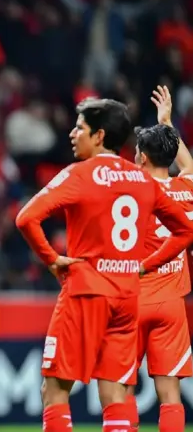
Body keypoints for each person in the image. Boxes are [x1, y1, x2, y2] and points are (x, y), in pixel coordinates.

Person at [15, 98, 193, 432]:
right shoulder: (142, 181)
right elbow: (186, 229)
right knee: (116, 392)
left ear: (99, 136)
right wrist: (144, 266)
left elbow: (26, 218)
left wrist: (52, 261)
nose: (72, 134)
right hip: (130, 297)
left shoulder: (80, 174)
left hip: (86, 291)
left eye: (79, 128)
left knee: (54, 390)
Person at [127, 86, 193, 432]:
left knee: (121, 389)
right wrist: (167, 125)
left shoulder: (130, 192)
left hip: (132, 300)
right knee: (170, 394)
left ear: (140, 157)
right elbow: (189, 166)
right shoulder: (186, 191)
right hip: (171, 305)